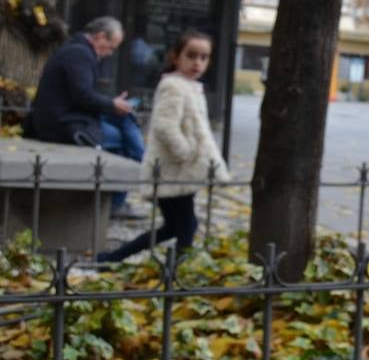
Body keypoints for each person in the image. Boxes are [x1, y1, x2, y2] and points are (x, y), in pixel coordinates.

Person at [97, 30, 229, 263]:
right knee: (185, 227)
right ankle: (177, 271)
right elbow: (165, 126)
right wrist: (186, 153)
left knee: (175, 227)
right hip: (172, 171)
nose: (197, 63)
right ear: (176, 56)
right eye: (191, 55)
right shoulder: (173, 85)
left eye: (204, 57)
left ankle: (112, 258)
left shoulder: (191, 86)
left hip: (181, 172)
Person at [29, 16, 145, 217]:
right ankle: (115, 202)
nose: (110, 53)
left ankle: (119, 191)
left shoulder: (77, 50)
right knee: (124, 141)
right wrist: (112, 104)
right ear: (100, 36)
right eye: (111, 47)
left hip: (69, 118)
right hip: (64, 124)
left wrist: (112, 104)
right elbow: (82, 96)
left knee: (123, 125)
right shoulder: (79, 54)